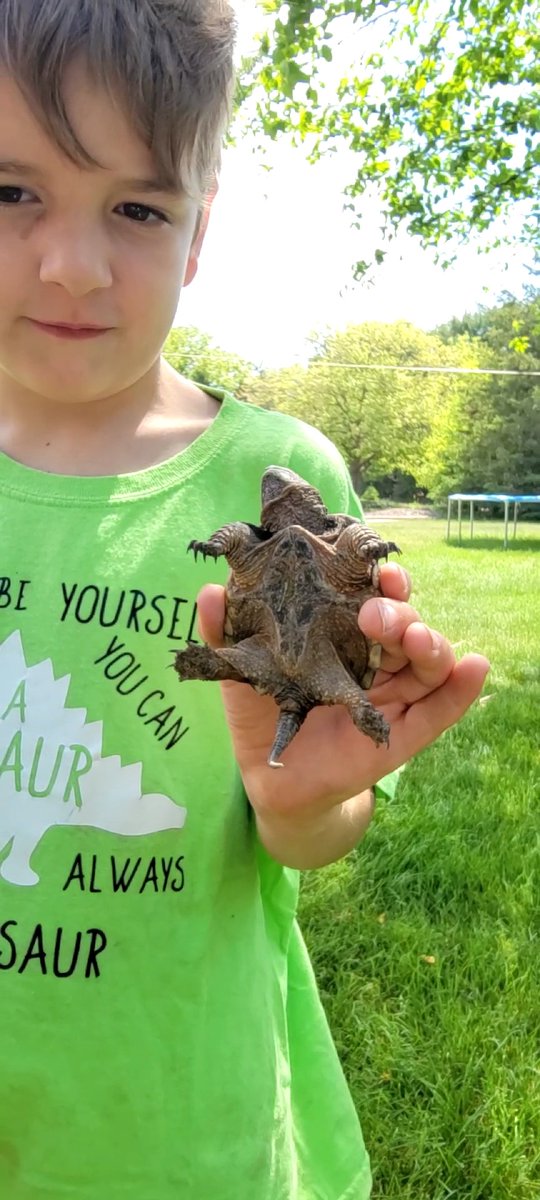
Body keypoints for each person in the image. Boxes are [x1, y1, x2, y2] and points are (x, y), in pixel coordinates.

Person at [0, 2, 489, 1197]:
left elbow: (308, 823)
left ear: (199, 231)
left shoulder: (276, 485)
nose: (71, 262)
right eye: (10, 193)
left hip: (175, 1128)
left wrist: (310, 805)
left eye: (136, 207)